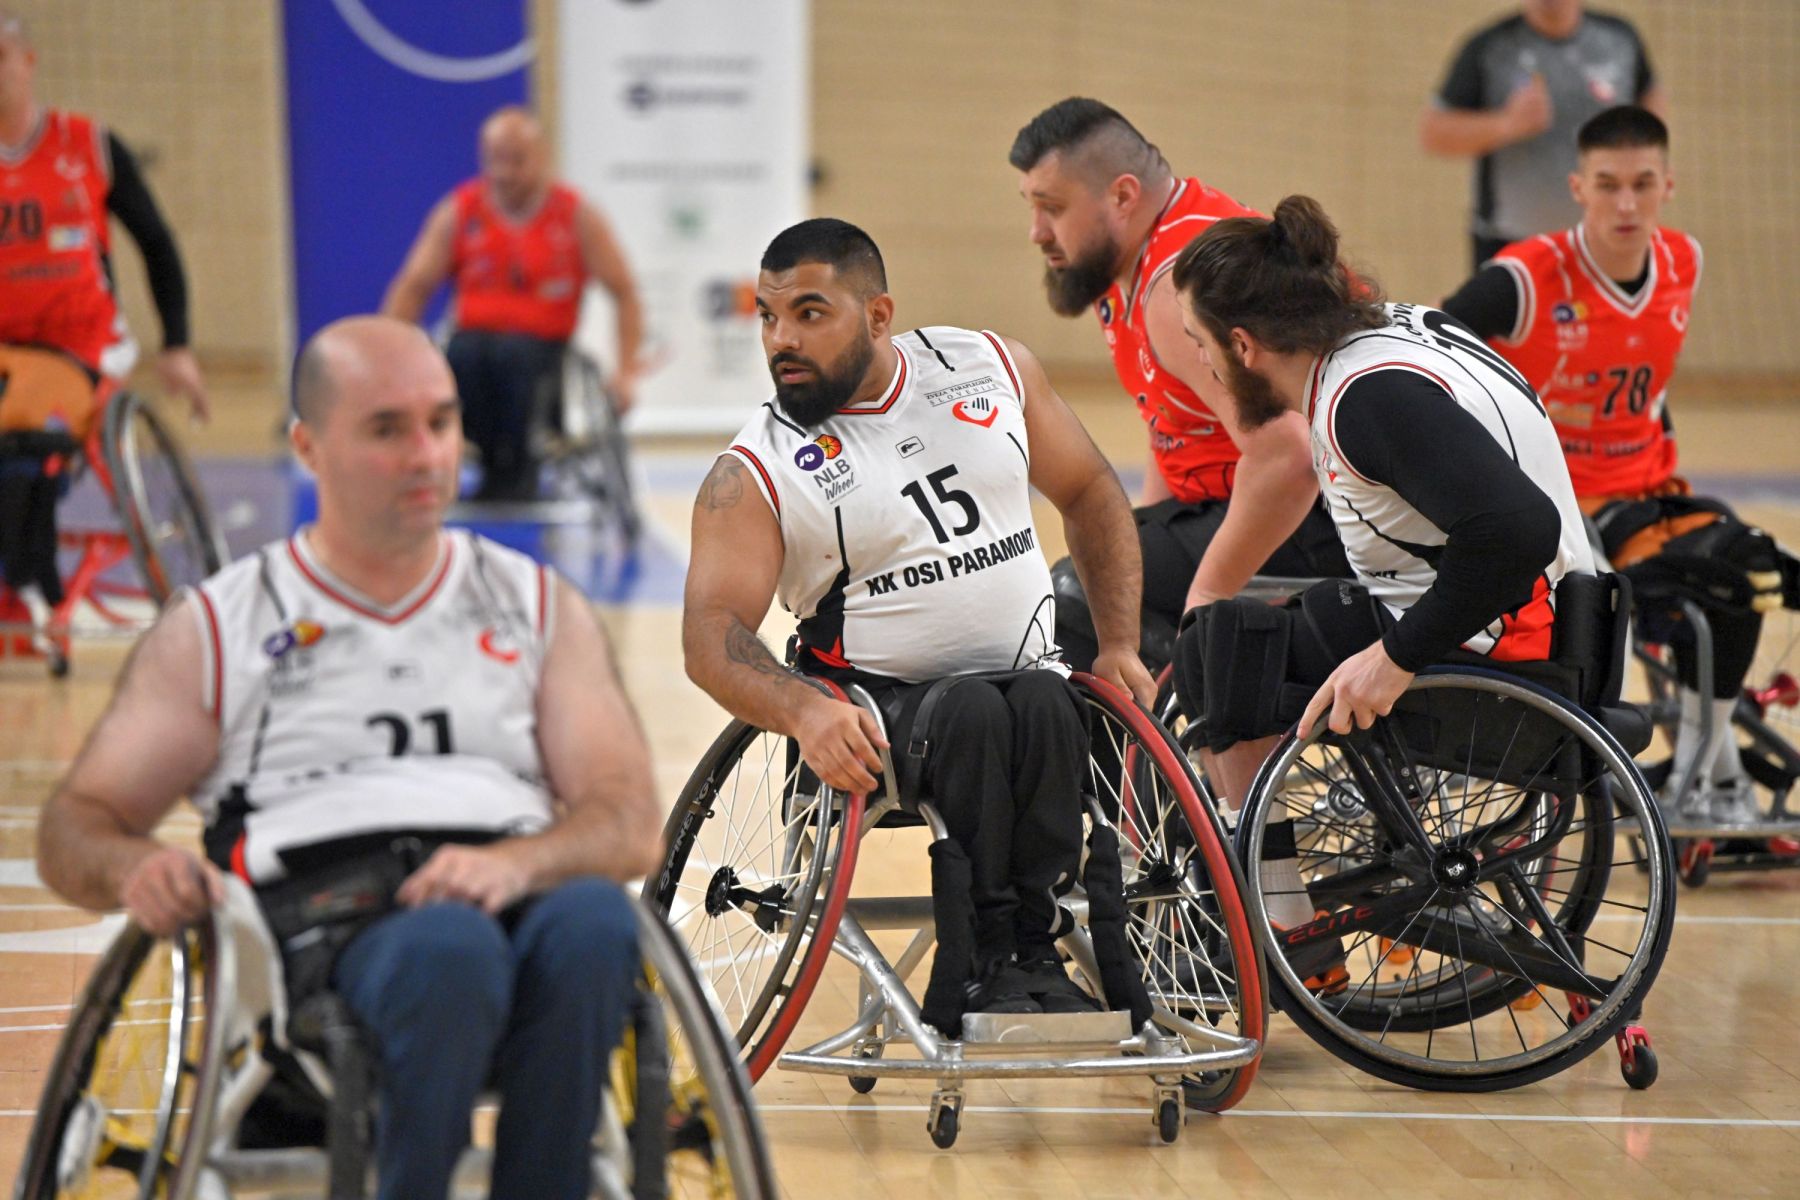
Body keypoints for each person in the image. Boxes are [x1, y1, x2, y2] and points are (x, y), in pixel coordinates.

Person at [36, 316, 663, 1200]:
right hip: (323, 923)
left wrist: (516, 863)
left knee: (597, 921)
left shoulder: (533, 604)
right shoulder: (223, 623)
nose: (426, 455)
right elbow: (76, 824)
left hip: (510, 892)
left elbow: (627, 818)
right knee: (450, 951)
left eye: (440, 423)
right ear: (308, 448)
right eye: (386, 429)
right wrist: (132, 865)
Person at [683, 217, 1154, 1018]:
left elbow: (1091, 491)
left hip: (1025, 685)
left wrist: (1118, 644)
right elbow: (710, 636)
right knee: (974, 711)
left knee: (1047, 701)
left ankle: (1035, 952)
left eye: (808, 313)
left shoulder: (990, 367)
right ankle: (983, 961)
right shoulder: (755, 468)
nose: (781, 339)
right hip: (876, 715)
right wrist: (803, 710)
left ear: (877, 316)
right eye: (768, 316)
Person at [1165, 196, 1595, 988]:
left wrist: (1394, 659)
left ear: (1242, 345)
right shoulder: (1392, 334)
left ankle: (1279, 925)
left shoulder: (1367, 398)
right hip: (1554, 624)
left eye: (1200, 344)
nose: (1202, 364)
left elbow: (1518, 529)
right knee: (1266, 627)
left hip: (1509, 652)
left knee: (1214, 647)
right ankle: (1286, 898)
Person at [1441, 105, 1793, 823]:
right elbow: (1433, 350)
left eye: (1641, 184)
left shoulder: (1683, 263)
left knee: (1750, 564)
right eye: (1608, 185)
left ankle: (1702, 771)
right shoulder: (1524, 279)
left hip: (1643, 494)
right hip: (1556, 503)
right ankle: (1670, 772)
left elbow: (1647, 383)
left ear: (1669, 184)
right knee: (1646, 606)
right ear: (1579, 188)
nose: (1626, 204)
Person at [1009, 97, 1347, 672]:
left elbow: (1288, 457)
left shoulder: (1177, 289)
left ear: (1122, 196)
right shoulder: (1138, 260)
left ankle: (1181, 697)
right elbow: (1175, 421)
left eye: (1053, 208)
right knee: (1111, 561)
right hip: (1270, 501)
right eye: (1032, 206)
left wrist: (1205, 599)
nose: (1037, 231)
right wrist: (1142, 533)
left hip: (1325, 513)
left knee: (1081, 591)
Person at [0, 6, 207, 645]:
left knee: (25, 432)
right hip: (7, 349)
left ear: (27, 62)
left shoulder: (87, 145)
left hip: (81, 345)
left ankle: (27, 585)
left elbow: (157, 243)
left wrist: (176, 343)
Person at [383, 105, 644, 502]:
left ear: (542, 158)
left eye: (517, 160)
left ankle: (519, 467)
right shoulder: (460, 211)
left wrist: (625, 372)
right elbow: (413, 286)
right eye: (496, 160)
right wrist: (391, 362)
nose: (504, 172)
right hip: (473, 348)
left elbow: (624, 291)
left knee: (513, 356)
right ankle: (481, 453)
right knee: (464, 353)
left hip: (541, 351)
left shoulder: (576, 215)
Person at [1420, 0, 1664, 271]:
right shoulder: (1490, 47)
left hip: (1607, 239)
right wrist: (1507, 123)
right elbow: (1434, 133)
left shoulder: (1620, 39)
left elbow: (1650, 98)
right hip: (1511, 243)